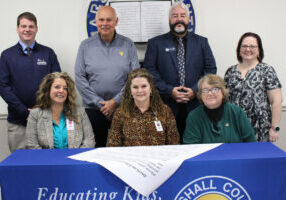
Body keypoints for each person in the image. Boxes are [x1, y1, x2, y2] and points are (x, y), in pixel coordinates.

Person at [143, 2, 216, 141]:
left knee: (194, 144)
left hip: (196, 104)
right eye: (175, 16)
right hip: (165, 104)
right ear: (169, 20)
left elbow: (210, 69)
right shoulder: (155, 43)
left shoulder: (202, 42)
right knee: (167, 144)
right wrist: (169, 90)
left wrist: (195, 90)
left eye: (183, 15)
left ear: (188, 19)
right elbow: (149, 71)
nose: (179, 19)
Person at [75, 6, 139, 147]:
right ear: (96, 22)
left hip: (123, 107)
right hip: (94, 109)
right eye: (101, 20)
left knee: (126, 148)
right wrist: (100, 103)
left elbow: (135, 78)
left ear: (116, 21)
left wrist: (115, 101)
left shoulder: (128, 45)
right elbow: (79, 78)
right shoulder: (85, 46)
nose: (105, 23)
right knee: (95, 150)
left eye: (109, 20)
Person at [0, 12, 61, 152]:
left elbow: (57, 84)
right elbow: (3, 87)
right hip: (18, 123)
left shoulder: (48, 53)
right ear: (17, 28)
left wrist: (40, 111)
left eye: (31, 26)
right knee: (20, 166)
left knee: (45, 164)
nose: (27, 29)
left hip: (46, 120)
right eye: (23, 26)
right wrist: (24, 112)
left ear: (36, 28)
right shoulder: (7, 55)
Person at [224, 32, 282, 142]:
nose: (248, 49)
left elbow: (276, 101)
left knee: (259, 158)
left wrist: (275, 128)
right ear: (239, 49)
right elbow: (225, 100)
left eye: (252, 46)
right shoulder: (230, 72)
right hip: (234, 126)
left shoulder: (266, 70)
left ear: (259, 49)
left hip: (260, 128)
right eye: (244, 46)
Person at [107, 68, 180, 146]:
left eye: (144, 86)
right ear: (130, 91)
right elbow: (113, 145)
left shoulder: (165, 111)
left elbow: (174, 143)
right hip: (131, 157)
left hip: (158, 157)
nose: (140, 91)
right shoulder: (120, 113)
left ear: (151, 88)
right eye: (135, 87)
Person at [25, 72, 95, 149]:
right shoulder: (35, 114)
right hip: (46, 160)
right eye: (57, 87)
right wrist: (51, 160)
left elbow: (89, 141)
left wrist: (74, 158)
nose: (61, 90)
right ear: (48, 90)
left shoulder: (80, 112)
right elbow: (32, 145)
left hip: (75, 159)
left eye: (65, 88)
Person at [183, 74, 256, 144]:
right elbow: (190, 147)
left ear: (223, 92)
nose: (210, 93)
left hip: (235, 155)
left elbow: (251, 142)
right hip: (206, 157)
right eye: (205, 90)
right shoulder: (194, 116)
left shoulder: (236, 112)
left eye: (214, 89)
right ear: (200, 95)